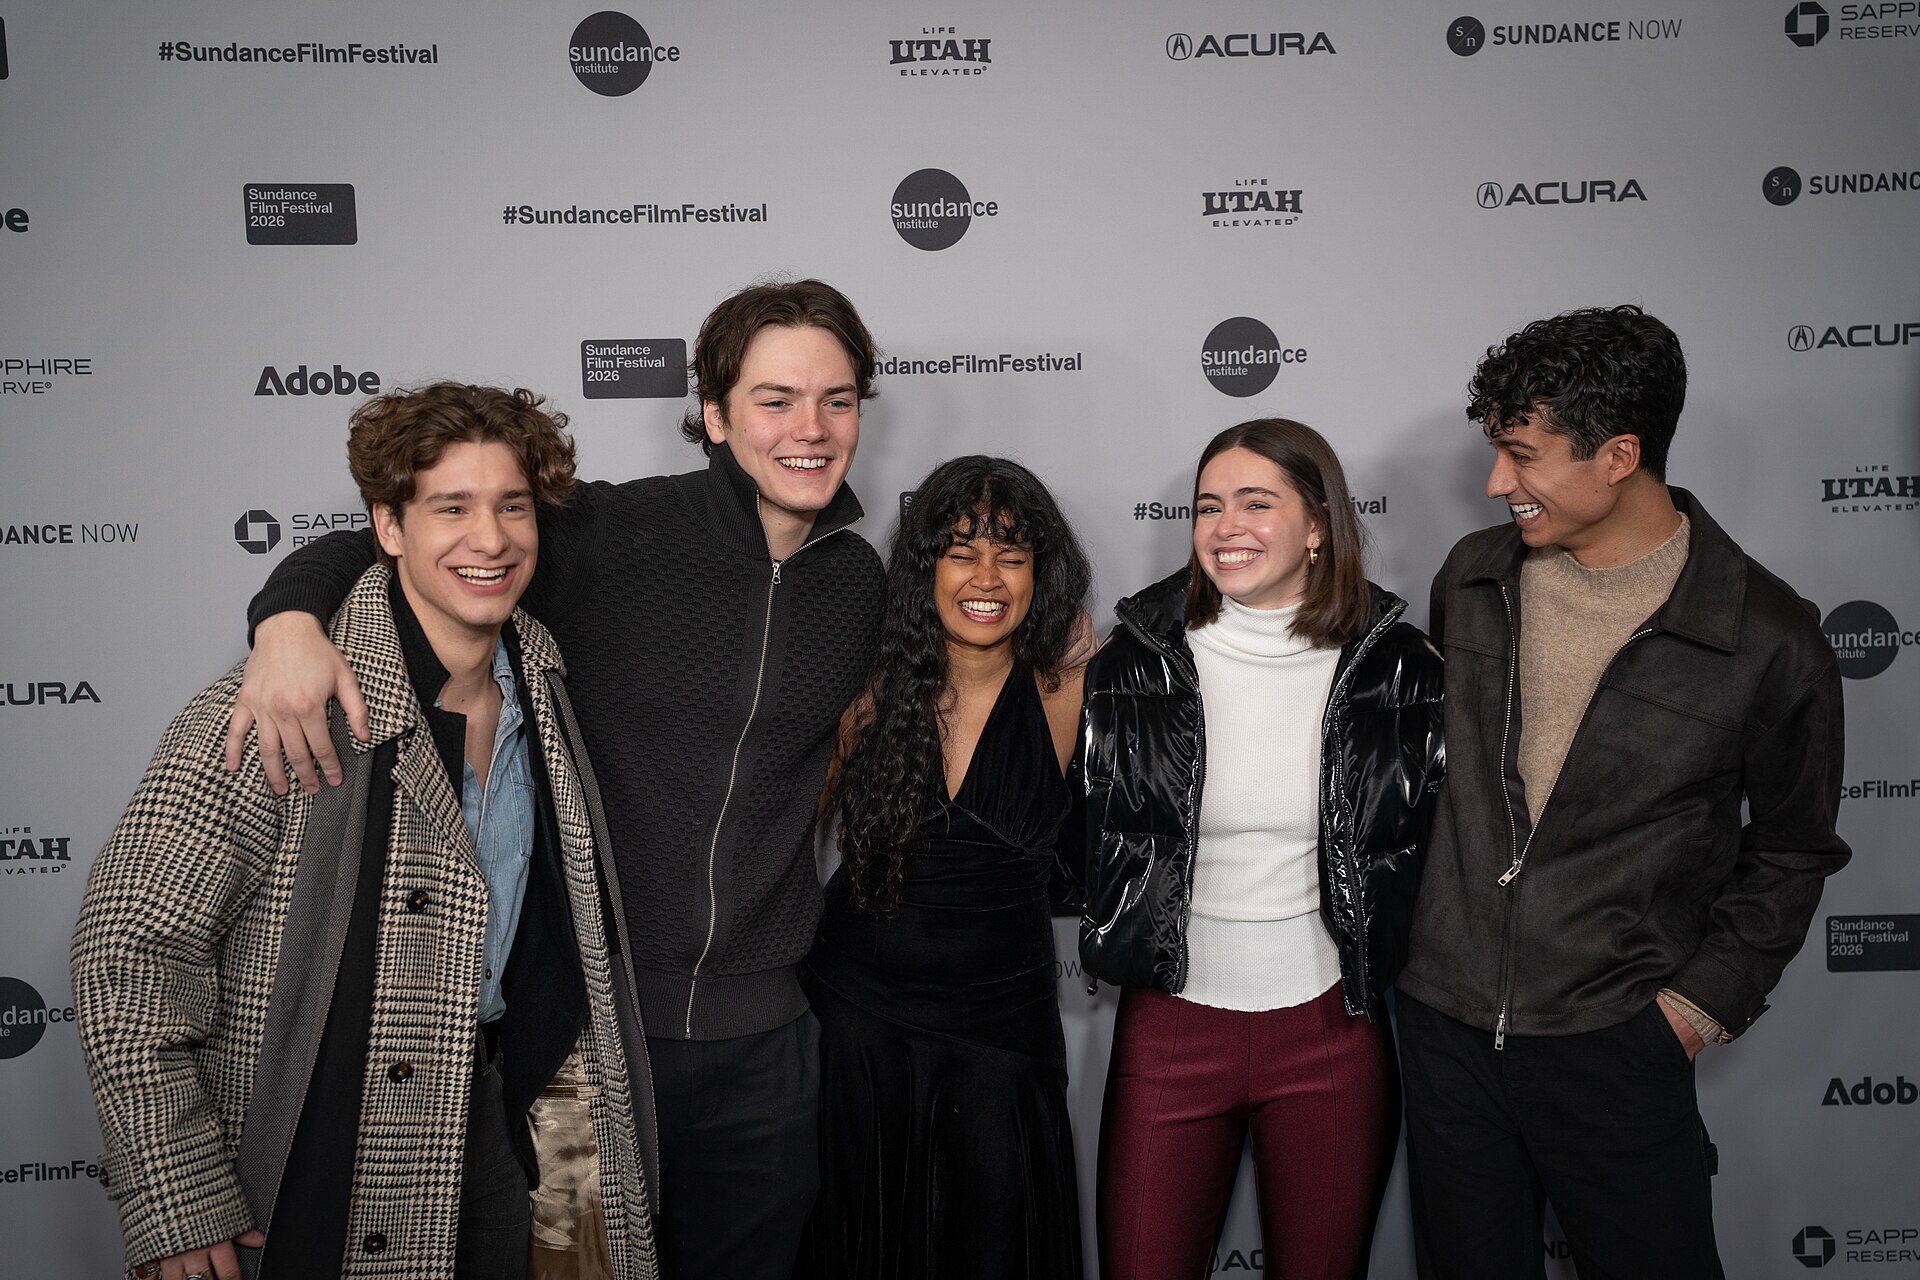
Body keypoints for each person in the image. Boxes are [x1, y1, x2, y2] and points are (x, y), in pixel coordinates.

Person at [224, 281, 888, 1278]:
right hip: (594, 1039)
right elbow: (398, 539)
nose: (811, 427)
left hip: (771, 1042)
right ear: (714, 414)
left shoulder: (859, 583)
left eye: (836, 400)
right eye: (775, 398)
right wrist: (284, 618)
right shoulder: (612, 534)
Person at [71, 383, 657, 1280]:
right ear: (388, 529)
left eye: (511, 506)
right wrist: (177, 1200)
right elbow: (131, 953)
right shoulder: (278, 707)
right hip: (323, 1140)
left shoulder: (544, 681)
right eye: (450, 508)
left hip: (500, 1122)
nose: (490, 539)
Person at [1395, 305, 1851, 1280]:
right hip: (1446, 1026)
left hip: (1616, 1043)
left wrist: (1689, 1013)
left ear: (1618, 454)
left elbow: (1794, 850)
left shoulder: (1769, 639)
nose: (1493, 483)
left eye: (1522, 455)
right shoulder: (1471, 577)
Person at [1079, 418, 1446, 1280]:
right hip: (1170, 1025)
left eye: (1256, 502)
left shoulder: (1403, 671)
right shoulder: (1129, 665)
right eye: (1208, 506)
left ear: (1319, 524)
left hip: (1331, 1030)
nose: (1225, 526)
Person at [799, 456, 1092, 1280]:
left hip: (1004, 1033)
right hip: (858, 1025)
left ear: (1043, 569)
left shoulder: (1074, 687)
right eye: (961, 550)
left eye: (1013, 552)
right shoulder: (867, 694)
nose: (987, 576)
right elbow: (772, 848)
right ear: (925, 568)